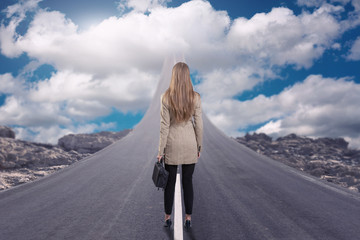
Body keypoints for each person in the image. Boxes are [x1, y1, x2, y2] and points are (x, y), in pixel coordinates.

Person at [157, 62, 203, 229]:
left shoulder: (166, 97)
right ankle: (188, 217)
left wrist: (160, 150)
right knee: (187, 182)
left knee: (169, 184)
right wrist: (199, 146)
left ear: (174, 76)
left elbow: (164, 126)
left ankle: (167, 217)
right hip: (190, 143)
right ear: (187, 76)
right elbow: (199, 124)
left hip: (172, 144)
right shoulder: (195, 97)